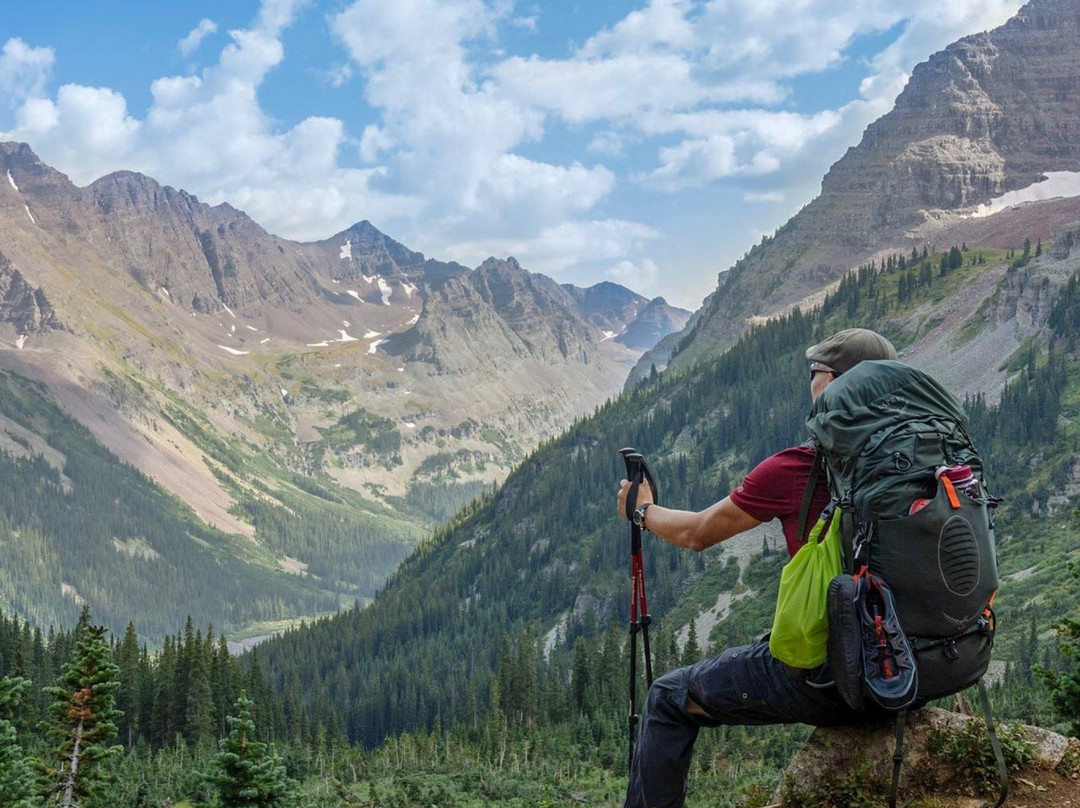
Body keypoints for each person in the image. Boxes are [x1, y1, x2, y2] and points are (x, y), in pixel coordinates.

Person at [616, 328, 898, 808]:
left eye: (816, 373)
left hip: (837, 677)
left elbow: (697, 533)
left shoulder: (800, 468)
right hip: (917, 665)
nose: (810, 382)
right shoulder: (927, 462)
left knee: (667, 698)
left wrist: (640, 510)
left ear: (834, 386)